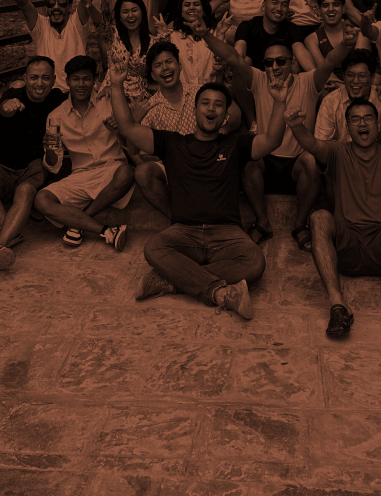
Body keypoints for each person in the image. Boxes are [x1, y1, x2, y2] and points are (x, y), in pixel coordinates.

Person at [110, 73, 290, 318]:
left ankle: (173, 281)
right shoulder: (172, 143)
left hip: (227, 233)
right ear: (194, 110)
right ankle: (220, 294)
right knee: (154, 247)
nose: (211, 108)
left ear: (225, 115)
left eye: (218, 104)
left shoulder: (236, 144)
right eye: (205, 103)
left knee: (255, 261)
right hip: (184, 231)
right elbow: (127, 128)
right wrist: (117, 85)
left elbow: (272, 140)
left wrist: (280, 101)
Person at [196, 19, 355, 250]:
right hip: (267, 161)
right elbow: (232, 58)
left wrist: (346, 44)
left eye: (281, 61)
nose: (275, 67)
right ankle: (262, 222)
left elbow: (330, 61)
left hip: (296, 166)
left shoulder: (308, 81)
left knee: (312, 161)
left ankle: (300, 224)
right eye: (269, 63)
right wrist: (205, 34)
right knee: (248, 160)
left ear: (292, 64)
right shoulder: (259, 79)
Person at [285, 100, 381, 344]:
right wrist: (297, 127)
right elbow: (313, 144)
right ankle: (338, 304)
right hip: (347, 247)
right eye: (356, 119)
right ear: (347, 126)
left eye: (368, 118)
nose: (362, 123)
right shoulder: (338, 151)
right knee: (318, 217)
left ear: (378, 124)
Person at [0, 56, 66, 269]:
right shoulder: (12, 95)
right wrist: (7, 106)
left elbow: (83, 94)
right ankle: (9, 228)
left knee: (26, 190)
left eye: (45, 78)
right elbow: (3, 109)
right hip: (3, 168)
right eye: (34, 77)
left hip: (34, 167)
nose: (39, 83)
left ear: (54, 79)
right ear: (25, 79)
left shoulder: (58, 98)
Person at [128, 40, 241, 221]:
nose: (165, 68)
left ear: (179, 66)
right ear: (153, 75)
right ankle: (178, 219)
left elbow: (234, 114)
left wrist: (219, 134)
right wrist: (135, 121)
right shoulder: (149, 108)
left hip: (208, 158)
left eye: (169, 62)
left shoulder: (201, 92)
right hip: (173, 167)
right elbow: (134, 151)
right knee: (142, 172)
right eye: (158, 65)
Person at [34, 55, 134, 250]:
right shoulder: (56, 116)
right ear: (67, 81)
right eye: (76, 79)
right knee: (41, 199)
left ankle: (78, 223)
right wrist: (50, 150)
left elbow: (132, 144)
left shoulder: (110, 102)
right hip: (80, 176)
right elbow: (54, 166)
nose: (81, 84)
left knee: (127, 172)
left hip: (112, 171)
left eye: (86, 78)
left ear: (95, 79)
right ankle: (106, 230)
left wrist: (119, 130)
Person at [0, 0, 99, 92]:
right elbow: (24, 4)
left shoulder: (76, 24)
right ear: (47, 7)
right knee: (16, 86)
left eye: (62, 3)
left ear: (69, 6)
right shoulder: (41, 26)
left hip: (75, 92)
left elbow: (85, 0)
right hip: (47, 93)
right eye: (51, 4)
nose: (56, 7)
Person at [315, 49, 381, 145]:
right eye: (350, 75)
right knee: (309, 158)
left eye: (362, 76)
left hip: (378, 156)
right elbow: (322, 145)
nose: (355, 81)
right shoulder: (330, 101)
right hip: (343, 156)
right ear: (343, 76)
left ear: (372, 78)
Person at [233, 0, 314, 71]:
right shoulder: (247, 26)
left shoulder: (292, 29)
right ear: (263, 6)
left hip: (281, 76)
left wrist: (316, 76)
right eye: (274, 3)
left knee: (296, 64)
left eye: (284, 5)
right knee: (246, 61)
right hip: (254, 77)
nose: (279, 8)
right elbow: (239, 52)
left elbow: (300, 51)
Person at [98, 0, 158, 103]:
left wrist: (165, 36)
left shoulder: (153, 42)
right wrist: (89, 5)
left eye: (134, 10)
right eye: (125, 12)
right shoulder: (113, 35)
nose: (130, 15)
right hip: (110, 93)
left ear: (142, 13)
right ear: (119, 16)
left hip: (138, 98)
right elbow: (98, 22)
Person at [304, 0, 372, 71]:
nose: (331, 9)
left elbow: (361, 70)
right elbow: (322, 71)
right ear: (319, 10)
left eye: (336, 5)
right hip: (327, 81)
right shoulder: (311, 39)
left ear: (343, 9)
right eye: (325, 5)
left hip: (355, 81)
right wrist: (339, 85)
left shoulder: (360, 34)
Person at [167, 0, 220, 84]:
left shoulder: (215, 34)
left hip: (209, 93)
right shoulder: (172, 37)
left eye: (197, 4)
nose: (191, 7)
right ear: (181, 13)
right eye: (187, 5)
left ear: (204, 11)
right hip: (182, 95)